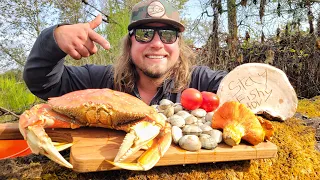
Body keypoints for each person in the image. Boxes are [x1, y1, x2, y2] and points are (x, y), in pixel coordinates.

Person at [23, 0, 227, 105]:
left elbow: (245, 86)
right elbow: (43, 83)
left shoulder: (201, 82)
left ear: (178, 44)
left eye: (167, 34)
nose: (156, 43)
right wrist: (53, 39)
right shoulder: (101, 81)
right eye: (144, 34)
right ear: (129, 43)